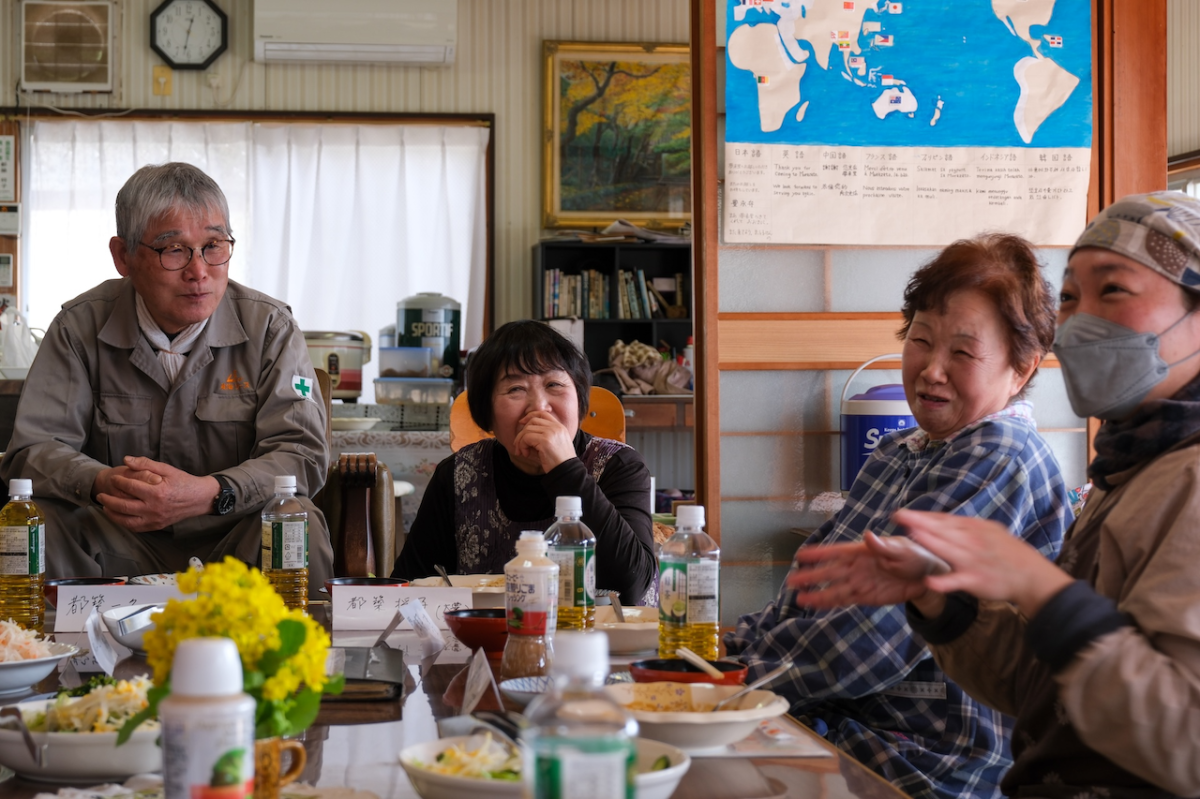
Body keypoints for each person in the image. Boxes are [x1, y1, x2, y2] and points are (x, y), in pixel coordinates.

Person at [789, 191, 1200, 797]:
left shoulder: (1182, 479)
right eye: (1070, 298)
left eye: (1112, 290)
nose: (1081, 322)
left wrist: (1042, 590)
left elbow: (1186, 744)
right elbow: (1042, 687)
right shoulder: (1132, 464)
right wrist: (939, 602)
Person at [724, 234, 1072, 799]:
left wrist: (734, 680)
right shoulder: (896, 452)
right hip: (853, 728)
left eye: (962, 352)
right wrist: (728, 652)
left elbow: (872, 642)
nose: (932, 370)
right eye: (920, 339)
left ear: (1021, 367)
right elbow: (808, 588)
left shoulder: (1001, 454)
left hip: (935, 758)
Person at [0, 162, 332, 593]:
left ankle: (296, 657)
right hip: (117, 543)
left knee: (295, 519)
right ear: (124, 256)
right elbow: (33, 449)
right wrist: (101, 482)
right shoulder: (78, 327)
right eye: (173, 250)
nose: (199, 271)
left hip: (235, 544)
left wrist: (213, 493)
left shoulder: (270, 328)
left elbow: (302, 453)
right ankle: (48, 658)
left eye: (214, 246)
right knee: (37, 521)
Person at [392, 320, 656, 604]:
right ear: (487, 413)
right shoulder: (457, 475)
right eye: (516, 389)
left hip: (597, 644)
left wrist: (565, 467)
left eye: (554, 384)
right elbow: (410, 587)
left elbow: (631, 586)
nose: (539, 406)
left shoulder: (619, 465)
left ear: (579, 401)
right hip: (489, 642)